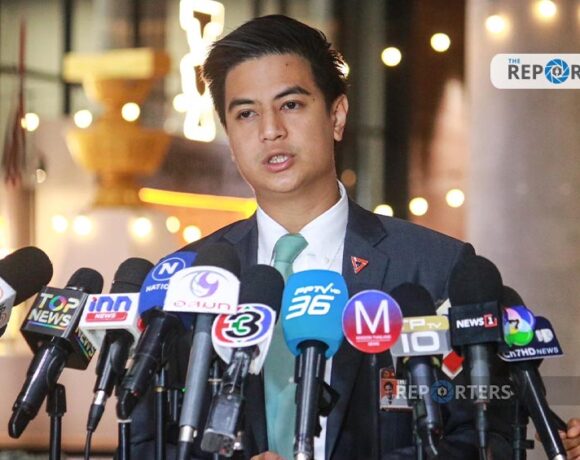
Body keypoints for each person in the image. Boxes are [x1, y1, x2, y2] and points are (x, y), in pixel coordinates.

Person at [130, 14, 580, 460]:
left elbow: (489, 437)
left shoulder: (436, 268)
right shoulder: (188, 282)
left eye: (291, 105)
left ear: (337, 115)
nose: (270, 130)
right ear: (230, 136)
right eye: (246, 114)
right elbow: (145, 442)